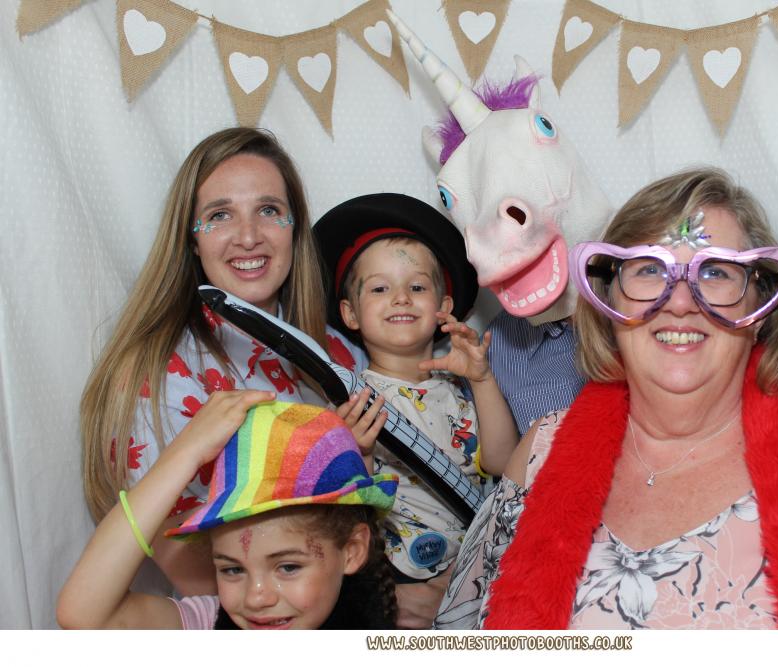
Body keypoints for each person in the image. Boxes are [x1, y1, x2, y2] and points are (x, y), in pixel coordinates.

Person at [434, 167, 778, 629]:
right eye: (649, 270)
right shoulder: (540, 453)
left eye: (715, 272)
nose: (680, 301)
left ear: (760, 309)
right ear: (609, 304)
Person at [79, 128, 365, 595]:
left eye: (268, 210)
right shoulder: (153, 376)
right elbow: (199, 581)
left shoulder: (342, 352)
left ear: (294, 228)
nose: (248, 237)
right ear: (191, 239)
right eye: (219, 215)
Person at [58, 391, 399, 629]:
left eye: (288, 567)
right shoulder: (210, 626)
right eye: (233, 570)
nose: (257, 597)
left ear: (352, 551)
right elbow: (84, 616)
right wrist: (186, 452)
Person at [313, 194, 519, 586]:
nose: (401, 298)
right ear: (350, 313)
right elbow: (347, 509)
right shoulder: (350, 402)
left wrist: (481, 380)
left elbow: (503, 462)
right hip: (398, 575)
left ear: (444, 305)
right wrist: (361, 451)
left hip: (480, 567)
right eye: (379, 289)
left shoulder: (460, 390)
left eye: (418, 287)